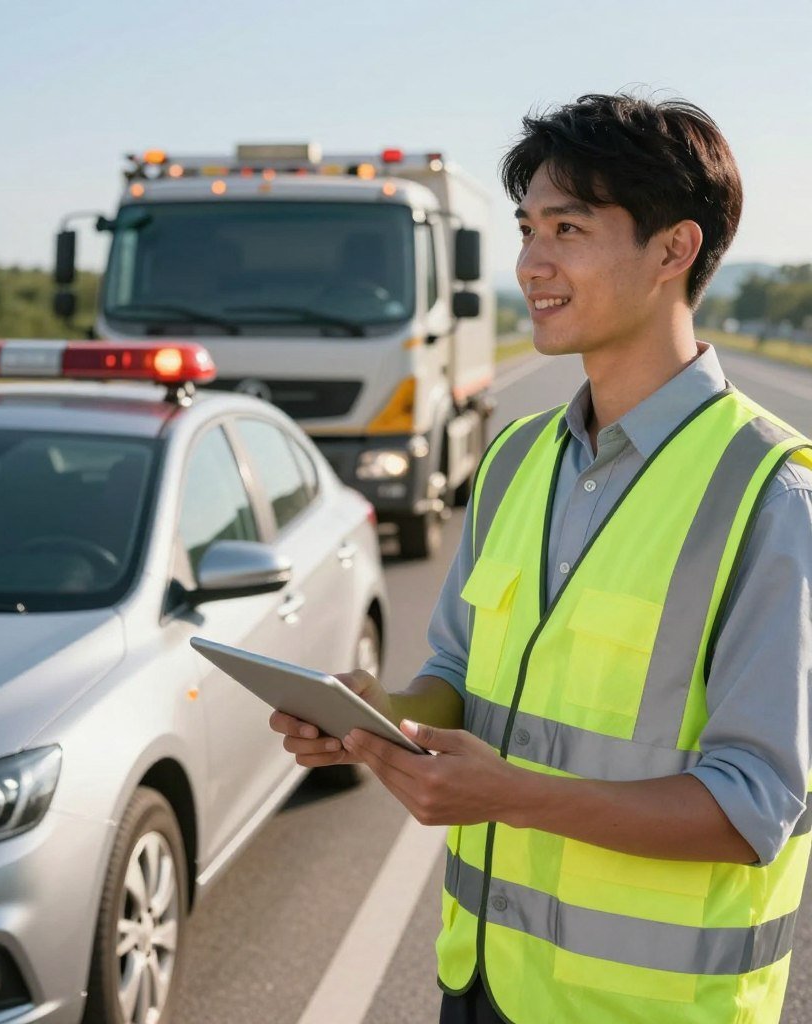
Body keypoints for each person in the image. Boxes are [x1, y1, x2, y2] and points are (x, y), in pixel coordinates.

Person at [271, 93, 812, 1024]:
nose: (531, 265)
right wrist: (385, 717)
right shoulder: (516, 457)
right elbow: (457, 667)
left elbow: (753, 808)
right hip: (479, 984)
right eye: (527, 229)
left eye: (568, 229)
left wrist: (511, 795)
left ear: (674, 251)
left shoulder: (770, 493)